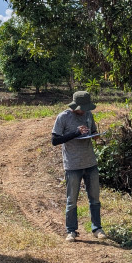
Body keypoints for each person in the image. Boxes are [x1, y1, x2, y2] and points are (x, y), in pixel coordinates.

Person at [51, 90, 106, 242]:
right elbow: (55, 141)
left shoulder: (88, 115)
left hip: (90, 162)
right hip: (72, 165)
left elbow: (92, 130)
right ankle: (71, 231)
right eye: (82, 108)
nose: (84, 111)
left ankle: (97, 228)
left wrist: (96, 137)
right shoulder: (63, 117)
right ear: (74, 106)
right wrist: (76, 132)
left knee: (95, 198)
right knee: (71, 201)